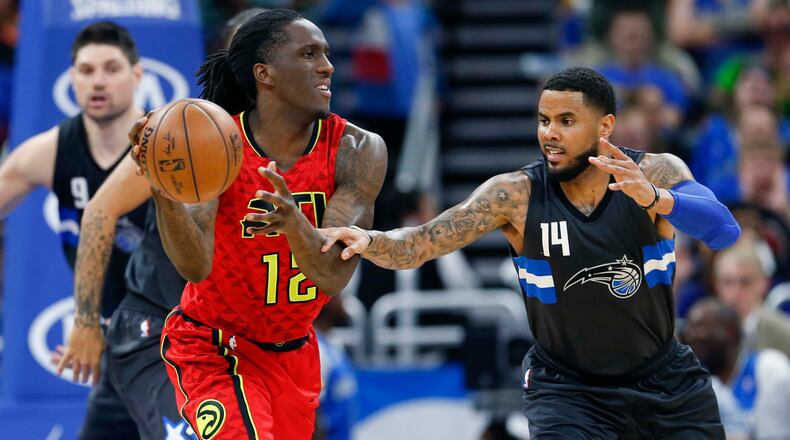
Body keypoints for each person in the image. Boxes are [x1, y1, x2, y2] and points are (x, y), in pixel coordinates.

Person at [322, 66, 741, 438]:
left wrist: (657, 199)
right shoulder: (515, 195)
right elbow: (422, 242)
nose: (549, 133)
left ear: (605, 126)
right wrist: (370, 240)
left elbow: (724, 230)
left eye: (566, 121)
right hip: (569, 388)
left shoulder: (656, 172)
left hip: (664, 378)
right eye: (543, 120)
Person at [128, 9, 386, 439]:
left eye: (325, 53)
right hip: (214, 346)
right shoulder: (216, 144)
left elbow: (333, 276)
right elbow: (194, 267)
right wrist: (164, 191)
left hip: (294, 355)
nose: (327, 66)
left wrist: (293, 224)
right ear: (264, 73)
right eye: (309, 54)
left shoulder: (357, 149)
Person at [0, 21, 147, 439]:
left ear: (137, 76)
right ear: (71, 79)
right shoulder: (49, 152)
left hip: (181, 343)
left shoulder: (172, 146)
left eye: (111, 68)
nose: (98, 81)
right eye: (86, 71)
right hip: (116, 348)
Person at [683, 298, 790, 440]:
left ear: (730, 333)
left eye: (700, 326)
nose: (691, 335)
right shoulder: (707, 385)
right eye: (690, 327)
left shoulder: (769, 368)